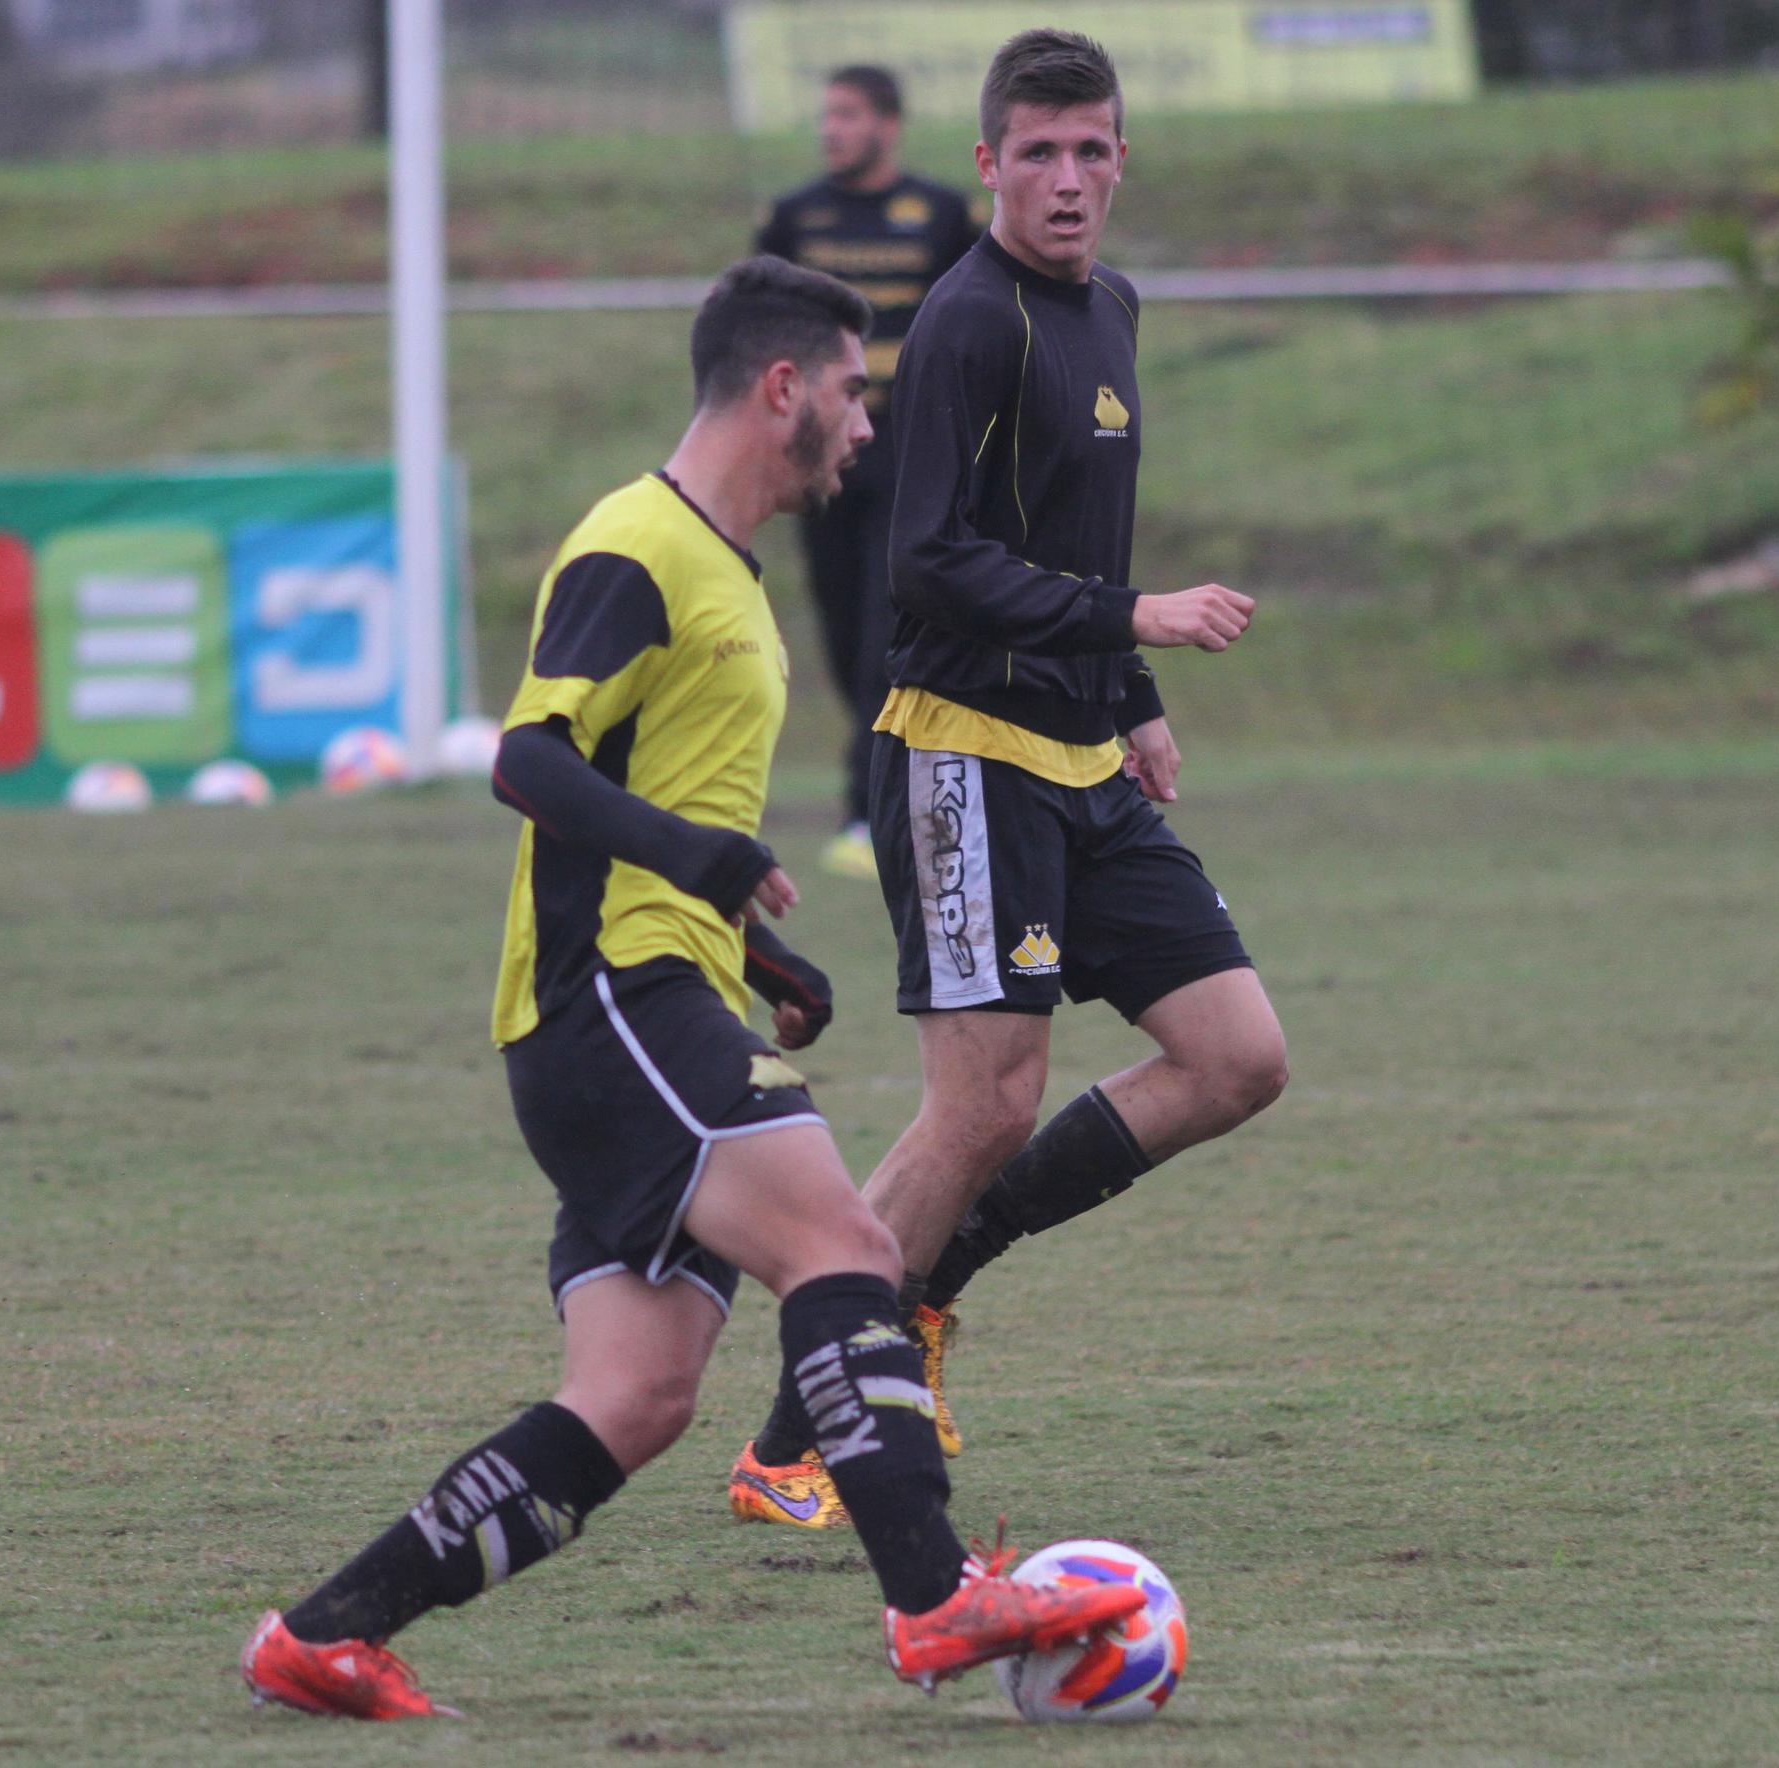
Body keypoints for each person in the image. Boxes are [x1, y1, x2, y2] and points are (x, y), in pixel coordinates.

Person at [241, 257, 1145, 1721]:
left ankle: (325, 1635)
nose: (866, 423)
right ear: (782, 388)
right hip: (614, 998)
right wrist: (693, 862)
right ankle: (935, 1601)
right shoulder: (635, 544)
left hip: (650, 1001)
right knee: (847, 1247)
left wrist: (760, 950)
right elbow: (527, 759)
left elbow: (651, 801)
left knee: (635, 1397)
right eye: (850, 390)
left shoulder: (726, 571)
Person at [729, 30, 1289, 1530]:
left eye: (1089, 149)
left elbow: (1076, 530)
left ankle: (929, 1284)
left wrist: (1134, 694)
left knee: (1235, 1056)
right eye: (1035, 152)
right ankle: (792, 1438)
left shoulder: (1111, 304)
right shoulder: (968, 321)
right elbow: (925, 562)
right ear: (986, 164)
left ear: (1121, 160)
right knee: (980, 1110)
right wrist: (1134, 619)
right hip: (964, 757)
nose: (1065, 178)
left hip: (1084, 754)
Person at [756, 65, 980, 880]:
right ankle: (892, 779)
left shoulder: (942, 214)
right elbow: (761, 326)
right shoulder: (795, 219)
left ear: (889, 124)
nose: (831, 129)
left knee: (885, 631)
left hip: (907, 452)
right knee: (843, 629)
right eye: (827, 115)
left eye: (847, 115)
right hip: (821, 459)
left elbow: (974, 320)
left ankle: (867, 810)